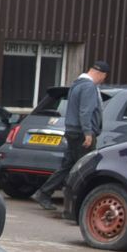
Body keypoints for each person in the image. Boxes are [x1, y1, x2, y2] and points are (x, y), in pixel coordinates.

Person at [33, 59, 109, 211]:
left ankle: (45, 193)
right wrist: (88, 133)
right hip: (81, 133)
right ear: (101, 74)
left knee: (68, 166)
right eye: (104, 77)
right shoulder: (88, 87)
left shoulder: (76, 84)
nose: (102, 80)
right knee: (85, 168)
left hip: (72, 131)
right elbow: (85, 111)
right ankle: (77, 205)